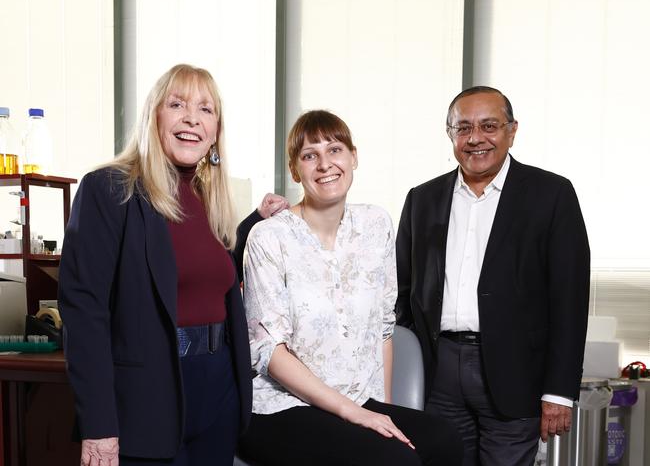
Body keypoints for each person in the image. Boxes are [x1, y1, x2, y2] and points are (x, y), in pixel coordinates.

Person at [58, 63, 287, 466]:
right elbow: (84, 312)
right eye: (177, 104)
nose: (191, 119)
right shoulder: (110, 189)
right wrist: (98, 425)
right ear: (154, 116)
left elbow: (199, 275)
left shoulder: (206, 198)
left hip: (219, 396)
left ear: (216, 131)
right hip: (145, 405)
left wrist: (252, 222)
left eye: (206, 109)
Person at [238, 110, 463, 466]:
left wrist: (384, 413)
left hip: (359, 398)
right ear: (295, 170)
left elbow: (383, 330)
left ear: (353, 157)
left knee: (445, 442)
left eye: (335, 150)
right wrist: (355, 415)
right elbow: (270, 353)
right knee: (394, 461)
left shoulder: (376, 225)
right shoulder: (269, 237)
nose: (325, 164)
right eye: (310, 155)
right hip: (283, 408)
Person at [395, 86, 591, 465]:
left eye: (489, 126)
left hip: (516, 373)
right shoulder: (422, 198)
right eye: (463, 127)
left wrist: (559, 392)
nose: (475, 138)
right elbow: (403, 292)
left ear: (511, 131)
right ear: (450, 133)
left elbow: (569, 301)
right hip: (437, 375)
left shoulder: (551, 195)